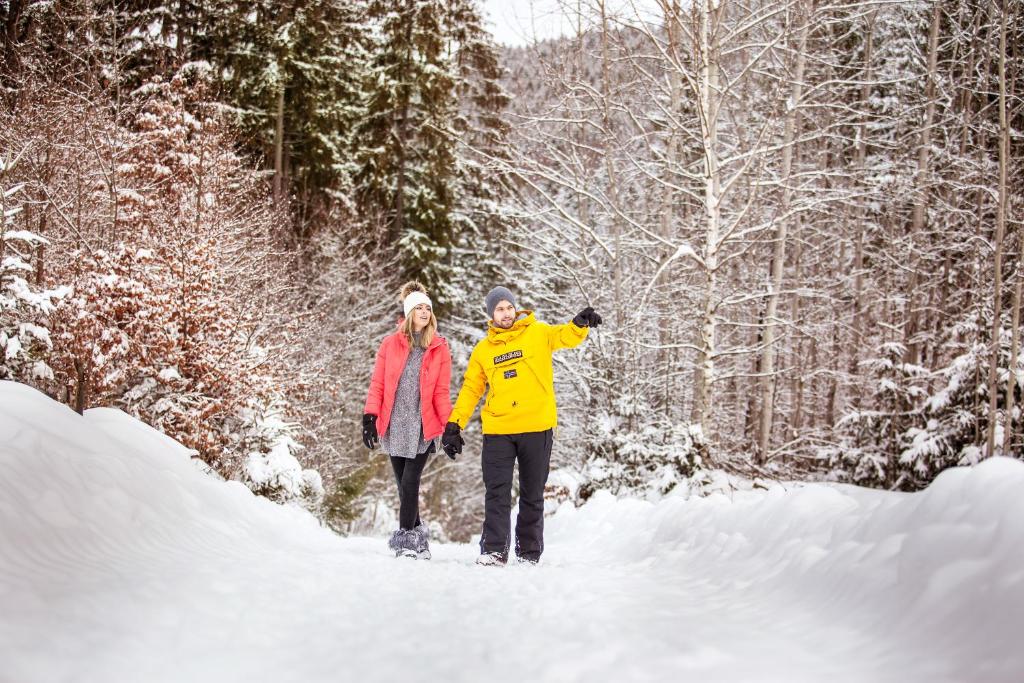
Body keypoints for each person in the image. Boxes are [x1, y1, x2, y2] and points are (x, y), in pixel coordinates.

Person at [442, 286, 601, 566]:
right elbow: (471, 389)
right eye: (499, 309)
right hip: (498, 429)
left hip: (536, 426)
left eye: (508, 307)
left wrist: (579, 324)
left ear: (515, 309)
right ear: (491, 315)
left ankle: (528, 553)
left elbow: (564, 336)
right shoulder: (483, 350)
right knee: (497, 492)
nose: (505, 313)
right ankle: (494, 551)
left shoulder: (538, 332)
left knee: (532, 493)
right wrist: (455, 424)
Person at [363, 282, 453, 559]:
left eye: (428, 308)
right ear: (409, 312)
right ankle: (419, 540)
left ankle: (405, 542)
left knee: (411, 481)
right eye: (419, 308)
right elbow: (378, 383)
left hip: (423, 424)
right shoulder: (390, 344)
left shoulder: (439, 347)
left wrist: (450, 426)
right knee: (403, 485)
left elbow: (441, 392)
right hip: (395, 423)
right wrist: (370, 417)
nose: (425, 312)